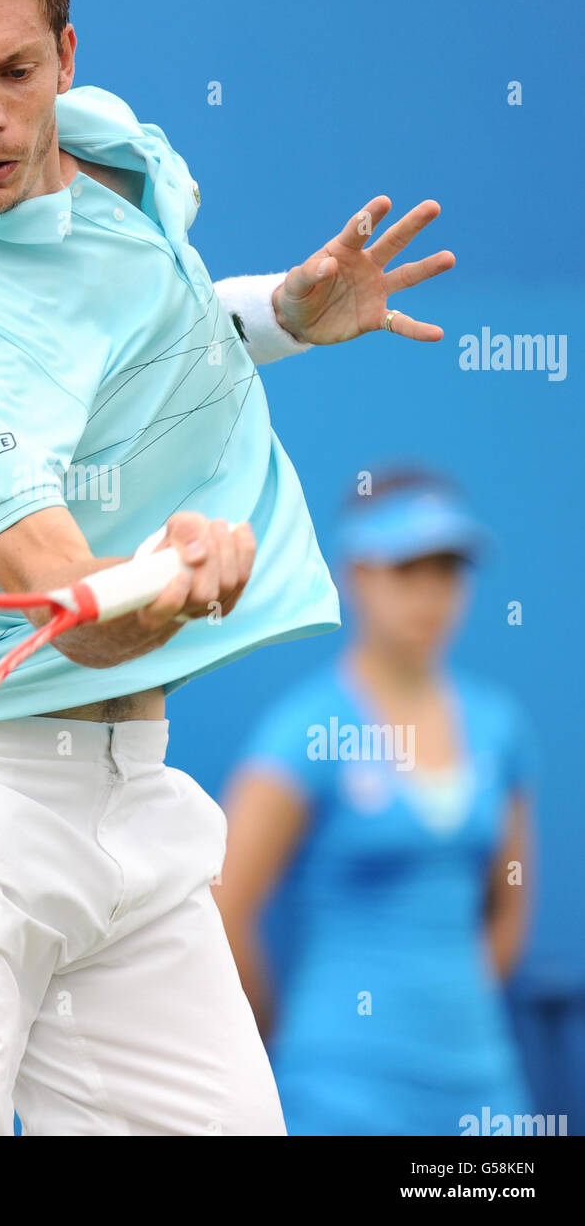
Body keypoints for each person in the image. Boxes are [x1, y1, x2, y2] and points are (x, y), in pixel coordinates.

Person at [0, 0, 455, 1136]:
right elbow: (69, 605)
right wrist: (168, 572)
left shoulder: (101, 147)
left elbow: (137, 349)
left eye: (14, 70)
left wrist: (281, 315)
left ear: (66, 60)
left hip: (131, 816)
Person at [214, 471, 537, 1135]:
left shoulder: (497, 727)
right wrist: (294, 1035)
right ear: (356, 573)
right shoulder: (304, 732)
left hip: (483, 1087)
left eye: (446, 570)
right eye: (406, 568)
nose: (430, 594)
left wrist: (454, 1000)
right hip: (339, 1091)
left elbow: (510, 900)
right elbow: (222, 910)